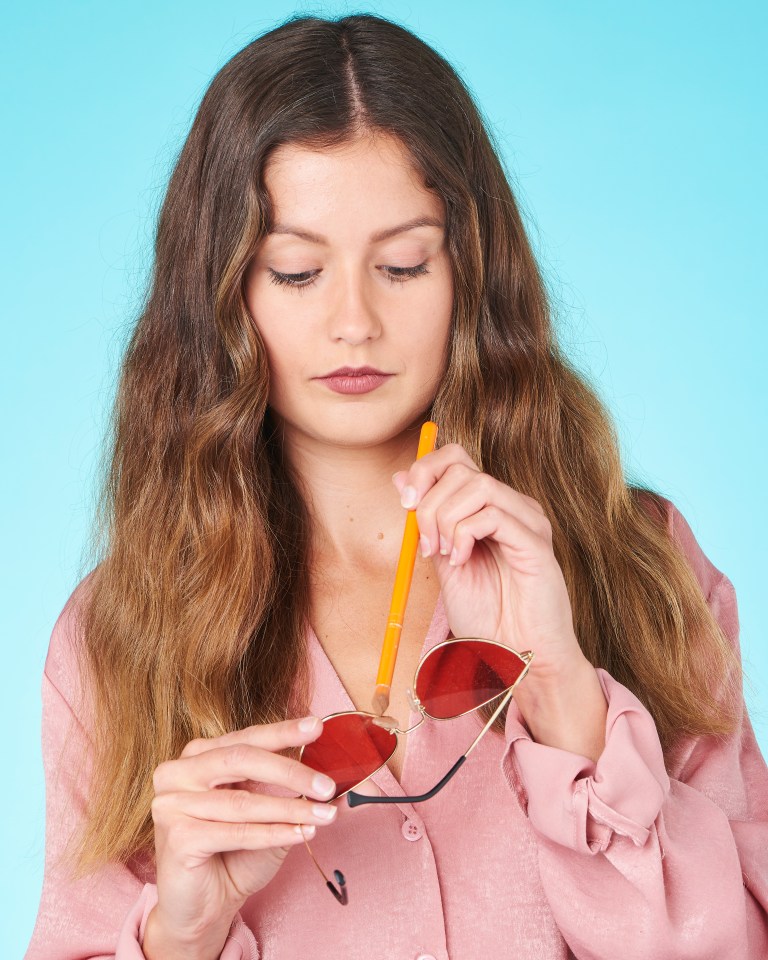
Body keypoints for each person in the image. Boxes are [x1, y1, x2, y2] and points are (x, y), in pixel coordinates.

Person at [25, 12, 768, 960]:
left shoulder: (643, 562)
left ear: (471, 273)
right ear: (222, 294)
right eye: (295, 272)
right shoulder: (116, 635)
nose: (354, 324)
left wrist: (568, 700)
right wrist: (181, 935)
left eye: (402, 264)